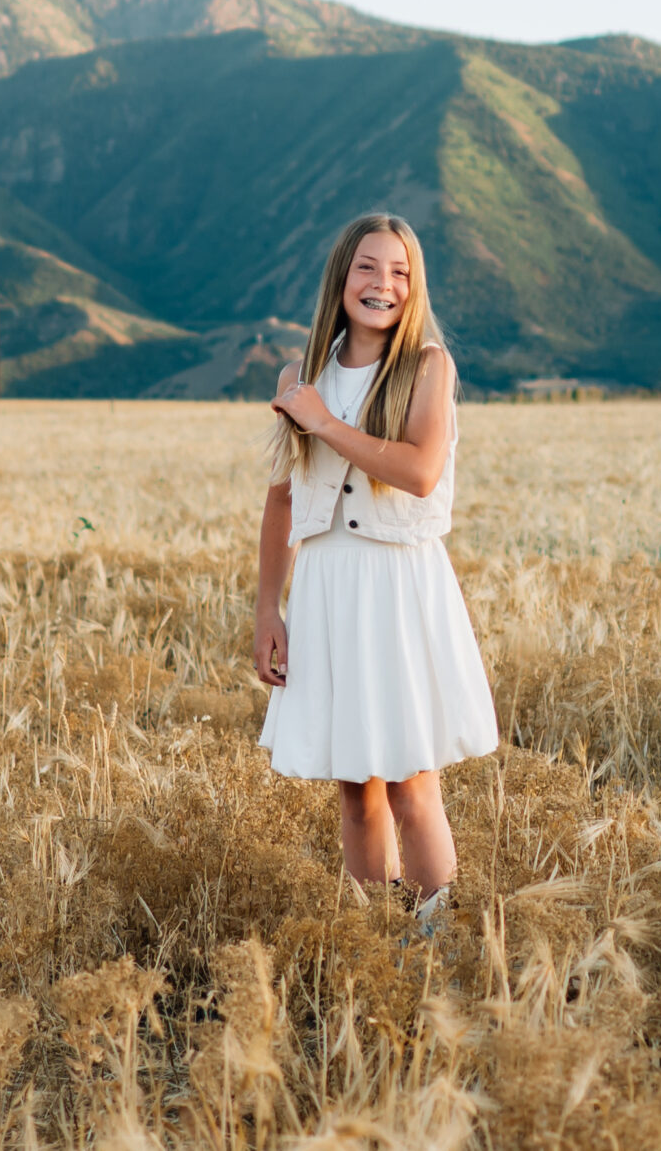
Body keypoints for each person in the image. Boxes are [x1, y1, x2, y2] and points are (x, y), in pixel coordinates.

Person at [254, 213, 497, 929]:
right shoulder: (302, 375)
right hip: (328, 589)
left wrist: (324, 422)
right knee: (355, 786)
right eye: (368, 267)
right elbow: (280, 498)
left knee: (411, 780)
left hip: (397, 589)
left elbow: (420, 472)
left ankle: (437, 941)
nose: (382, 284)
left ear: (413, 287)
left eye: (399, 272)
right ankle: (375, 938)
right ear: (342, 275)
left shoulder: (427, 366)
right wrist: (271, 609)